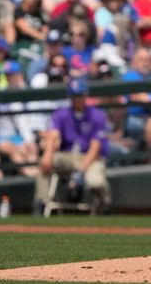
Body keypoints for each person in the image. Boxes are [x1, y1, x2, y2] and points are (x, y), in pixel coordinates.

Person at [33, 77, 111, 214]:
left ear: (85, 95)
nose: (77, 99)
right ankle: (41, 203)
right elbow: (53, 135)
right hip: (68, 156)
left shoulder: (97, 115)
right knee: (45, 162)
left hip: (90, 158)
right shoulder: (61, 114)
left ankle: (104, 206)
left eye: (80, 95)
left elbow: (95, 147)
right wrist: (47, 156)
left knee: (95, 182)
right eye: (74, 96)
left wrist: (81, 169)